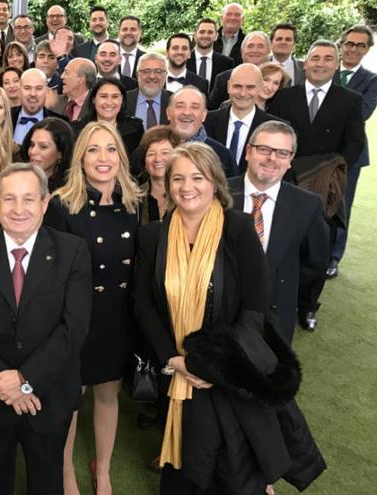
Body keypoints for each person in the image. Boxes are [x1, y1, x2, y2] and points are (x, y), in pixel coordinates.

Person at [134, 141, 326, 494]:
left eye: (198, 177)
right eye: (178, 178)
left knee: (228, 469)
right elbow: (144, 305)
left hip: (226, 374)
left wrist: (208, 366)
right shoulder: (152, 236)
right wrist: (174, 359)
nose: (187, 187)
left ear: (215, 182)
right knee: (183, 469)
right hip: (177, 373)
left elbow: (254, 306)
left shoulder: (237, 229)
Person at [0, 162, 93, 495]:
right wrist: (5, 381)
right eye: (9, 199)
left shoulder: (72, 252)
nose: (18, 209)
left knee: (47, 480)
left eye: (29, 199)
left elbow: (74, 327)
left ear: (44, 203)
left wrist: (26, 380)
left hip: (48, 394)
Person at [44, 121, 142, 495]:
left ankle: (103, 473)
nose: (103, 158)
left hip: (116, 318)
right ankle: (66, 473)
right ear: (80, 158)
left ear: (120, 155)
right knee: (71, 400)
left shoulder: (133, 204)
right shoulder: (61, 206)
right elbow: (50, 276)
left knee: (107, 396)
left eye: (111, 149)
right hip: (76, 320)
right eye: (93, 150)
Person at [265, 40, 365, 331]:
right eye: (315, 58)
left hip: (324, 189)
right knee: (282, 246)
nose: (320, 63)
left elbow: (355, 143)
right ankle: (275, 300)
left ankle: (308, 305)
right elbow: (274, 132)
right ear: (304, 64)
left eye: (327, 59)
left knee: (316, 252)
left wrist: (329, 172)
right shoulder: (286, 96)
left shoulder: (350, 100)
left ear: (336, 64)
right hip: (285, 181)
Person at [228, 121, 329, 344]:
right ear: (248, 152)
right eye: (264, 149)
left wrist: (289, 294)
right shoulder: (217, 195)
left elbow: (315, 264)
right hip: (221, 312)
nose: (272, 159)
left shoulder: (307, 205)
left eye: (282, 153)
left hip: (275, 317)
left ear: (290, 160)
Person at [329, 25, 377, 279]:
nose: (352, 49)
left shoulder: (372, 80)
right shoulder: (325, 72)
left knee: (341, 206)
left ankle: (333, 257)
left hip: (350, 155)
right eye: (349, 43)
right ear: (341, 45)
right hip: (318, 152)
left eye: (359, 45)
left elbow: (363, 113)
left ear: (367, 50)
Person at [203, 64, 282, 174]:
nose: (243, 93)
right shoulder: (205, 121)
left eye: (250, 87)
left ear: (260, 88)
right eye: (237, 86)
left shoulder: (275, 129)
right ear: (228, 87)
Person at [165, 86, 237, 176]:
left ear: (204, 115)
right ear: (168, 113)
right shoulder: (152, 148)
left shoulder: (222, 155)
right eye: (180, 106)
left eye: (194, 107)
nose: (187, 113)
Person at [73, 78, 145, 153]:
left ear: (122, 99)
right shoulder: (77, 129)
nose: (109, 102)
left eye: (115, 97)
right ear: (93, 99)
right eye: (103, 96)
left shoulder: (135, 128)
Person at [208, 31, 272, 109]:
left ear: (269, 51)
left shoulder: (277, 79)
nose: (255, 50)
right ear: (242, 52)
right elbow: (211, 111)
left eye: (260, 46)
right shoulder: (223, 79)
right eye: (250, 46)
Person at [137, 125, 181, 223]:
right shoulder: (133, 198)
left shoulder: (187, 194)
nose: (157, 159)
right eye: (151, 154)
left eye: (165, 153)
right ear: (144, 162)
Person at [11, 69, 66, 146]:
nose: (33, 94)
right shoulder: (5, 117)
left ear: (46, 92)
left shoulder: (61, 124)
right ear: (19, 91)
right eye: (27, 88)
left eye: (39, 88)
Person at [20, 117, 75, 192]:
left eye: (43, 147)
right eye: (32, 145)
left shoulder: (70, 192)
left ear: (60, 153)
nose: (33, 151)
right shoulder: (16, 179)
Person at [126, 52, 172, 130]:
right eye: (146, 71)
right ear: (137, 75)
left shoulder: (174, 101)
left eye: (158, 71)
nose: (152, 76)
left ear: (166, 75)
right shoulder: (123, 101)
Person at [187, 18, 235, 86]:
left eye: (210, 32)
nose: (205, 36)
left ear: (216, 36)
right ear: (195, 35)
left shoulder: (227, 63)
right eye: (202, 32)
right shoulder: (184, 60)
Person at [52, 57, 95, 123]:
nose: (62, 76)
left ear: (81, 79)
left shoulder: (95, 106)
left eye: (66, 72)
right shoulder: (54, 103)